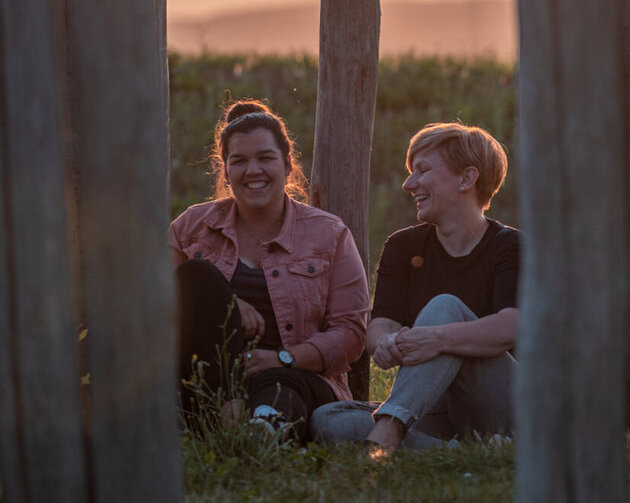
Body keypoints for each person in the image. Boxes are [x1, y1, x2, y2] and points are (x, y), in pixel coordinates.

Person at [311, 121, 519, 453]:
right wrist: (390, 342)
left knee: (444, 307)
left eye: (422, 170)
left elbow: (511, 326)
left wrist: (436, 337)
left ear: (466, 178)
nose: (409, 184)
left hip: (505, 406)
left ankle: (389, 432)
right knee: (329, 418)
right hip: (431, 407)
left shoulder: (509, 246)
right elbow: (380, 326)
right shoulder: (403, 246)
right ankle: (463, 452)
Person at [169, 99, 369, 440]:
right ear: (226, 171)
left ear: (288, 165)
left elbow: (350, 332)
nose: (253, 170)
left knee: (280, 385)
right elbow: (152, 294)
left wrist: (284, 357)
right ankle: (229, 418)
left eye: (265, 158)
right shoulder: (192, 225)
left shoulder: (329, 233)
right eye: (239, 161)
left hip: (297, 379)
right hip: (206, 381)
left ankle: (263, 432)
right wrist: (224, 302)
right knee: (197, 275)